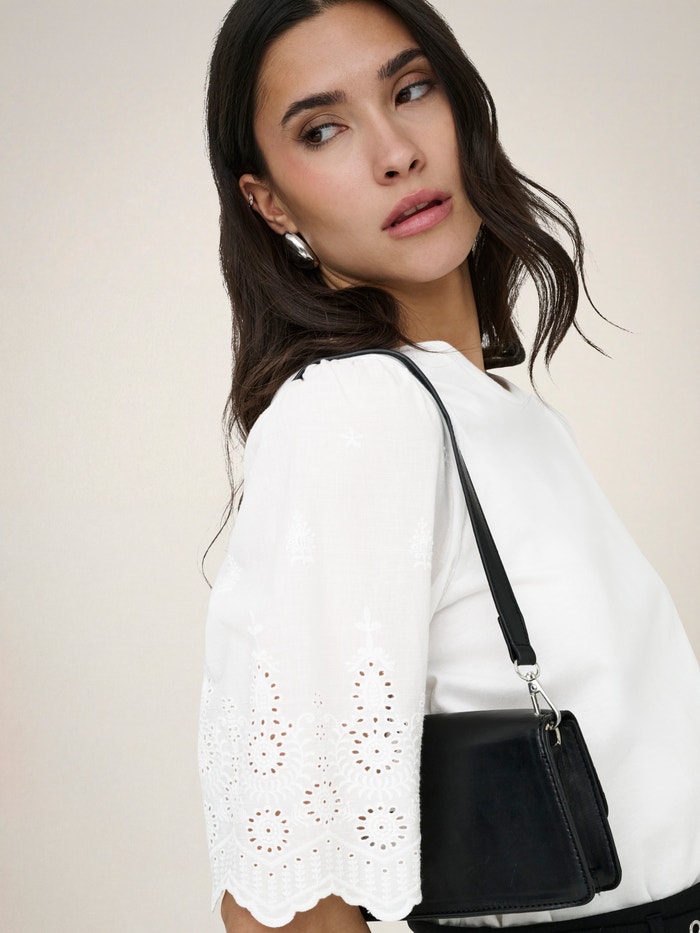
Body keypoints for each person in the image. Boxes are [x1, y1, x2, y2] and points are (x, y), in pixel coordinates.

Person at [197, 1, 700, 931]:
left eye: (411, 90)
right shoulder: (355, 412)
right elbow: (285, 898)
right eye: (322, 130)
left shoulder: (504, 412)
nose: (396, 153)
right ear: (269, 202)